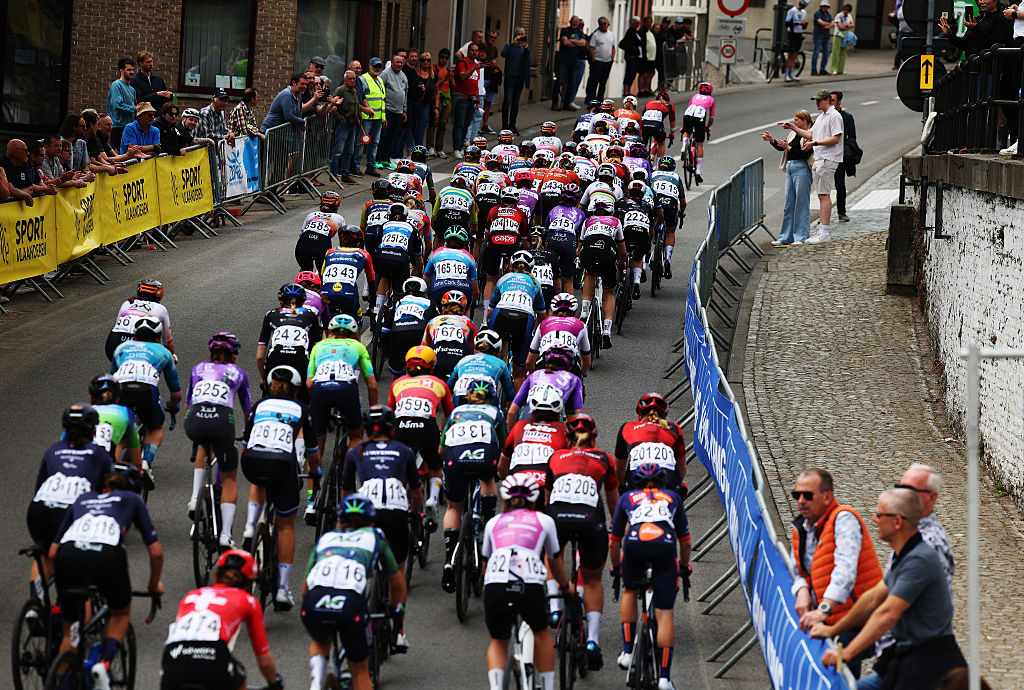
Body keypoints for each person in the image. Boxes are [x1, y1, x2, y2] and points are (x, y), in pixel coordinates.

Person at [814, 489, 967, 689]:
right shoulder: (903, 555)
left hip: (931, 671)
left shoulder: (919, 560)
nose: (874, 519)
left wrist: (846, 654)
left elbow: (887, 614)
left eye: (879, 514)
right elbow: (872, 599)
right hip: (904, 661)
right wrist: (833, 629)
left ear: (897, 522)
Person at [51, 463, 163, 690]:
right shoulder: (132, 500)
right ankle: (103, 665)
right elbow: (156, 552)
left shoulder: (83, 499)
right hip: (107, 555)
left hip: (68, 554)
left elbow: (53, 552)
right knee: (120, 613)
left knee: (71, 629)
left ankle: (63, 679)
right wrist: (153, 584)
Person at [852, 464, 955, 690]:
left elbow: (890, 610)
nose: (901, 495)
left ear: (931, 499)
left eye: (910, 490)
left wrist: (847, 651)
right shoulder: (908, 534)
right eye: (900, 487)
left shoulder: (928, 545)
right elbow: (878, 594)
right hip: (897, 655)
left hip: (912, 657)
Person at [302, 494, 408, 690]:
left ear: (340, 522)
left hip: (314, 601)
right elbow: (396, 582)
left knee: (320, 639)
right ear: (371, 521)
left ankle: (316, 684)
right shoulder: (375, 536)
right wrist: (395, 610)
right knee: (360, 670)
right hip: (350, 603)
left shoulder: (326, 538)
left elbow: (305, 587)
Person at [790, 468, 883, 678]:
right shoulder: (802, 528)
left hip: (862, 621)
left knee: (838, 668)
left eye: (808, 495)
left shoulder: (844, 520)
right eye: (797, 495)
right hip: (836, 620)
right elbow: (798, 571)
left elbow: (845, 571)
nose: (801, 501)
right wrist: (802, 590)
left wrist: (823, 609)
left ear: (827, 497)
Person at [240, 365, 319, 609]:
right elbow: (314, 455)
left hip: (252, 460)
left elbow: (244, 446)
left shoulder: (258, 407)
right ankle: (283, 588)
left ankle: (250, 527)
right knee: (285, 527)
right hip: (283, 464)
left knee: (258, 481)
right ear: (296, 391)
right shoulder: (301, 409)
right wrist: (315, 473)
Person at [545, 414, 619, 669]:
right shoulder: (604, 459)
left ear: (567, 439)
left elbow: (547, 500)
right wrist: (615, 531)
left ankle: (555, 606)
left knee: (551, 555)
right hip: (590, 521)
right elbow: (613, 503)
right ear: (595, 439)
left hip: (559, 518)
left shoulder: (555, 457)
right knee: (592, 579)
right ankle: (592, 641)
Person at [609, 462, 690, 690]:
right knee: (665, 615)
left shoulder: (628, 498)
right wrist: (684, 568)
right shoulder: (673, 497)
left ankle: (627, 651)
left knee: (629, 590)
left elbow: (614, 541)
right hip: (664, 547)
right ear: (663, 482)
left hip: (635, 543)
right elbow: (685, 541)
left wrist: (617, 569)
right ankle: (664, 678)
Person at [160, 550, 283, 690]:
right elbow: (264, 661)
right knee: (239, 677)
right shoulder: (249, 600)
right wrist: (275, 682)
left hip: (173, 656)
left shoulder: (191, 596)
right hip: (213, 656)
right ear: (248, 584)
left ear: (216, 575)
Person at [28, 404, 113, 597]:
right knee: (76, 560)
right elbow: (105, 494)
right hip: (68, 513)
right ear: (92, 432)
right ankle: (67, 611)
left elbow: (39, 486)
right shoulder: (99, 453)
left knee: (43, 553)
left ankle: (35, 604)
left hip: (39, 510)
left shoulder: (53, 450)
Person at [184, 333, 253, 547]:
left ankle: (195, 498)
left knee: (204, 445)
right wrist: (247, 435)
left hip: (195, 419)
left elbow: (188, 403)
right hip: (222, 422)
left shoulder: (197, 369)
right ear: (233, 356)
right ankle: (225, 535)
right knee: (230, 477)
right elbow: (248, 409)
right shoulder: (238, 373)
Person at [439, 379, 507, 590]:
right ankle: (488, 520)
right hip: (483, 457)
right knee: (487, 479)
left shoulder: (454, 414)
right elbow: (504, 448)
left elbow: (441, 450)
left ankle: (450, 559)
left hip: (455, 459)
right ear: (492, 397)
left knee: (453, 507)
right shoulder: (496, 413)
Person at [340, 405, 422, 571]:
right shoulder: (405, 451)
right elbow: (417, 492)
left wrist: (344, 517)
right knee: (397, 569)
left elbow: (346, 491)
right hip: (396, 511)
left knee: (360, 563)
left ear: (366, 430)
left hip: (366, 511)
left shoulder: (355, 451)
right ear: (392, 430)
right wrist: (414, 515)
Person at [110, 316, 181, 487]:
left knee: (122, 430)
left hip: (119, 389)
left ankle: (111, 466)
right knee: (155, 428)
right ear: (158, 337)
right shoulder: (164, 352)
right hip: (146, 390)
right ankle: (145, 463)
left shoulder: (121, 347)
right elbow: (176, 393)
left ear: (134, 336)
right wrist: (172, 405)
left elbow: (110, 376)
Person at [306, 313, 378, 471]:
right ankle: (349, 475)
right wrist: (372, 412)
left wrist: (316, 402)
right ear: (353, 335)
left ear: (330, 332)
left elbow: (309, 384)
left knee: (316, 443)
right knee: (356, 436)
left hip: (321, 389)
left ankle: (313, 492)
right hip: (346, 389)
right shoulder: (357, 347)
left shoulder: (319, 347)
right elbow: (372, 385)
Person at [782, 88, 843, 244]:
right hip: (820, 158)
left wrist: (816, 143)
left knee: (824, 194)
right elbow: (809, 134)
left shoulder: (834, 116)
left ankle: (824, 231)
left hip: (828, 158)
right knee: (822, 194)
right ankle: (822, 230)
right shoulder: (822, 117)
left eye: (819, 100)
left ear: (827, 100)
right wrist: (793, 128)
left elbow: (836, 139)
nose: (816, 102)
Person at [614, 393, 687, 491]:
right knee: (679, 495)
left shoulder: (627, 427)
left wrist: (623, 486)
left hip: (636, 478)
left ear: (638, 415)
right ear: (665, 415)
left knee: (624, 499)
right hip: (666, 479)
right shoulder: (674, 428)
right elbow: (681, 467)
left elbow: (619, 469)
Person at [762, 109, 814, 246]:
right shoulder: (793, 134)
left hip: (802, 168)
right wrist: (772, 140)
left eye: (796, 120)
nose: (794, 122)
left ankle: (801, 236)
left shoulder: (809, 135)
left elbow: (803, 154)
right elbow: (783, 148)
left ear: (804, 121)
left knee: (801, 204)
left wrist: (788, 147)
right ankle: (786, 237)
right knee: (789, 204)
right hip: (791, 168)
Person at [256, 283, 322, 389]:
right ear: (303, 302)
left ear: (281, 300)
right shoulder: (310, 315)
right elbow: (317, 349)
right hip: (300, 358)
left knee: (268, 392)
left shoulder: (271, 314)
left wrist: (264, 379)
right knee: (305, 395)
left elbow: (260, 356)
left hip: (275, 358)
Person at [87, 376, 143, 469]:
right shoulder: (125, 412)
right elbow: (137, 461)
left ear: (91, 398)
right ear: (117, 399)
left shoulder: (84, 411)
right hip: (105, 467)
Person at [355, 58, 388, 177]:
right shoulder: (363, 79)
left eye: (379, 66)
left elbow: (382, 101)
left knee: (374, 142)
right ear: (369, 66)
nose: (377, 68)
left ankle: (371, 166)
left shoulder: (379, 80)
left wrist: (383, 118)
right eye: (375, 66)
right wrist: (362, 113)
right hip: (366, 117)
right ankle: (356, 165)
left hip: (378, 118)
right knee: (361, 142)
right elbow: (360, 98)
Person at [453, 44, 486, 159]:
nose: (474, 52)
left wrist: (477, 100)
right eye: (472, 50)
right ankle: (456, 148)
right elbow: (462, 76)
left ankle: (462, 146)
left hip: (472, 99)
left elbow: (475, 85)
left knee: (466, 124)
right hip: (461, 98)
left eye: (476, 51)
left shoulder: (475, 65)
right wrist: (474, 68)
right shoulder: (463, 63)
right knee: (459, 124)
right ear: (468, 51)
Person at [682, 82, 715, 184]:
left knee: (686, 132)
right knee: (699, 144)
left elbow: (688, 107)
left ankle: (684, 146)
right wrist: (707, 127)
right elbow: (711, 118)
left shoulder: (695, 96)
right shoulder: (711, 100)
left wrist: (683, 128)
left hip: (688, 114)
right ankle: (698, 170)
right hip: (699, 116)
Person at [830, 90, 855, 222]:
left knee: (840, 184)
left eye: (832, 100)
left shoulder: (846, 117)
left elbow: (852, 137)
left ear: (839, 102)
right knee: (825, 187)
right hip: (826, 155)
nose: (830, 103)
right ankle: (825, 215)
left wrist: (846, 150)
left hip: (840, 157)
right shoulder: (825, 116)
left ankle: (841, 212)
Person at [379, 54, 409, 163]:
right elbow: (379, 90)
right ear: (392, 62)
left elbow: (405, 93)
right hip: (387, 110)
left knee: (393, 136)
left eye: (401, 62)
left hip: (399, 111)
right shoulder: (385, 74)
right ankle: (379, 159)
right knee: (384, 135)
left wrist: (404, 110)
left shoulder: (404, 76)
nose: (399, 64)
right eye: (397, 62)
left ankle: (387, 159)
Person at [501, 29, 531, 135]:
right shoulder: (509, 46)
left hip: (520, 78)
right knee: (507, 101)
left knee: (515, 102)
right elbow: (503, 54)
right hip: (510, 77)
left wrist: (527, 82)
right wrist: (512, 43)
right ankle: (504, 125)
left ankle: (512, 125)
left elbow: (528, 62)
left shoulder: (524, 48)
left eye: (521, 35)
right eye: (518, 34)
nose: (519, 37)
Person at [553, 17, 587, 111]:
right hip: (563, 60)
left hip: (574, 60)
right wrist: (576, 43)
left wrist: (571, 41)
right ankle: (555, 103)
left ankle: (566, 103)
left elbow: (583, 43)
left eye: (577, 22)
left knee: (572, 82)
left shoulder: (580, 33)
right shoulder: (565, 30)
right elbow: (565, 42)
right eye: (574, 22)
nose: (575, 23)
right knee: (560, 81)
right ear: (570, 22)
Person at [426, 49, 454, 157]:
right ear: (438, 57)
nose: (443, 59)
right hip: (437, 97)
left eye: (446, 58)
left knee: (443, 124)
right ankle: (430, 146)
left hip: (446, 98)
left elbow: (453, 86)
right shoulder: (434, 69)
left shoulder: (448, 69)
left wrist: (450, 80)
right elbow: (435, 84)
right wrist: (444, 79)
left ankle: (439, 148)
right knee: (434, 122)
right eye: (442, 57)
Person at [106, 58, 137, 150]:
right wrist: (135, 109)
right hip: (118, 127)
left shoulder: (132, 90)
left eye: (133, 70)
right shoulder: (116, 85)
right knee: (119, 155)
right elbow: (117, 105)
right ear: (121, 70)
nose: (132, 72)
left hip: (130, 127)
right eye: (129, 70)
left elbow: (135, 107)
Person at [586, 16, 616, 102]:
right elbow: (591, 48)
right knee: (595, 81)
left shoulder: (611, 34)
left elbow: (613, 47)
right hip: (598, 61)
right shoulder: (596, 35)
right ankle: (592, 98)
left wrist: (612, 58)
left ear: (607, 24)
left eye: (605, 23)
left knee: (603, 82)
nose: (603, 25)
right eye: (601, 24)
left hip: (607, 61)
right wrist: (593, 59)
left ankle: (600, 98)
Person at [619, 17, 645, 97]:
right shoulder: (630, 31)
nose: (637, 25)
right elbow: (629, 42)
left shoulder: (636, 32)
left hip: (636, 56)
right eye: (635, 23)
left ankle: (628, 90)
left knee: (633, 74)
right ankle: (626, 91)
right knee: (629, 73)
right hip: (631, 56)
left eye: (638, 23)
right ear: (632, 23)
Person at [785, 0, 810, 82]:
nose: (803, 7)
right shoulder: (792, 11)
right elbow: (787, 23)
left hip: (799, 34)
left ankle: (792, 74)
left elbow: (803, 26)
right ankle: (787, 74)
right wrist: (798, 23)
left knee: (795, 54)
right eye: (802, 5)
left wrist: (804, 25)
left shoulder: (804, 12)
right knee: (790, 54)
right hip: (792, 33)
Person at [812, 1, 835, 76]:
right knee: (816, 52)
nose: (825, 8)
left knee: (826, 53)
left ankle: (822, 69)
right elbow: (820, 22)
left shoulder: (828, 14)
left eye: (826, 7)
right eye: (824, 6)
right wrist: (828, 24)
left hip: (826, 36)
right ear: (821, 7)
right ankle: (814, 69)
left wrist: (827, 26)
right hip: (818, 36)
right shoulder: (817, 13)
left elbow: (833, 23)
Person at [831, 5, 855, 74]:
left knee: (843, 53)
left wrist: (847, 25)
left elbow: (852, 25)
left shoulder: (849, 16)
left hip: (845, 36)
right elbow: (840, 27)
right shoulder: (839, 15)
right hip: (838, 35)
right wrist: (847, 26)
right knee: (836, 53)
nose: (846, 11)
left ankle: (841, 69)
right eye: (845, 9)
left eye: (847, 10)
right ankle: (834, 69)